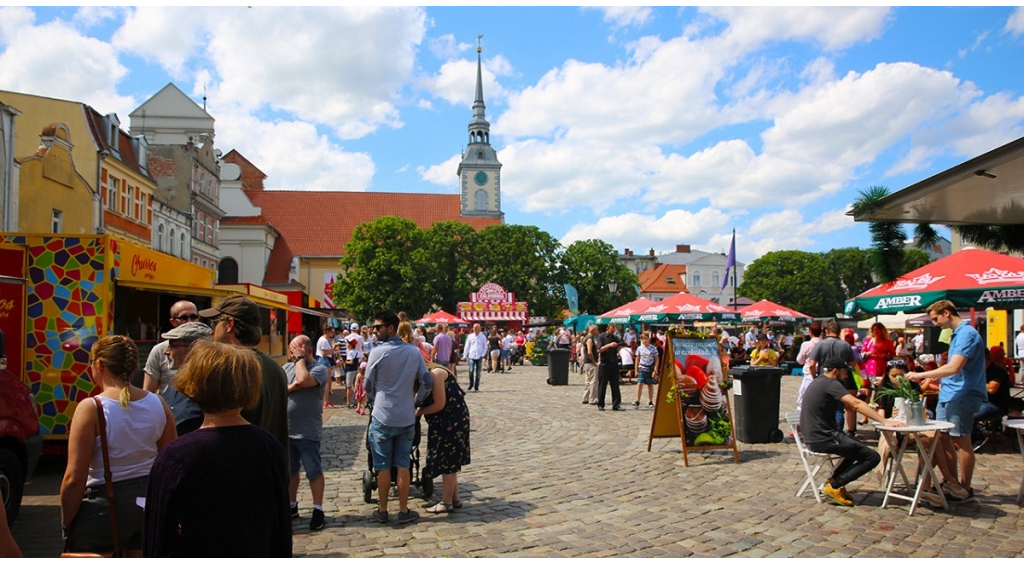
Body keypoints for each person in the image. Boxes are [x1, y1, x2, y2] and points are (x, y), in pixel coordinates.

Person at [143, 340, 291, 557]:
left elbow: (157, 535)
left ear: (193, 385)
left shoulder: (178, 454)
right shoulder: (269, 446)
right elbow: (281, 527)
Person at [61, 335, 176, 557]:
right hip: (147, 503)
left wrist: (68, 522)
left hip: (104, 506)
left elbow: (74, 479)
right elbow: (170, 462)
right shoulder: (157, 403)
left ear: (98, 365)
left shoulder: (91, 407)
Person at [801, 357, 904, 506]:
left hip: (815, 437)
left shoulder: (819, 381)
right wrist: (885, 421)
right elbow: (855, 404)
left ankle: (834, 482)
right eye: (844, 373)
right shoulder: (831, 383)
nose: (847, 376)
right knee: (872, 457)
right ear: (835, 371)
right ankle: (835, 486)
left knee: (854, 446)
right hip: (823, 439)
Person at [364, 310, 432, 525]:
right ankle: (403, 510)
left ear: (390, 328)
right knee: (403, 463)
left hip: (383, 415)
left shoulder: (377, 352)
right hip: (405, 416)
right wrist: (416, 400)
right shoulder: (413, 352)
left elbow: (367, 384)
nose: (374, 331)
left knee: (382, 465)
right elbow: (427, 381)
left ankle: (383, 510)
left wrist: (374, 399)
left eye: (378, 327)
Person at [915, 300, 987, 501]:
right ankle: (952, 483)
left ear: (947, 313)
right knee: (944, 438)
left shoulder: (967, 334)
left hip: (963, 394)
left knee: (962, 440)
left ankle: (965, 488)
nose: (935, 323)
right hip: (949, 393)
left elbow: (954, 367)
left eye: (936, 318)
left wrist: (920, 375)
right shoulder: (957, 334)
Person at [200, 296, 289, 458]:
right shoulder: (275, 368)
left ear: (230, 324)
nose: (211, 331)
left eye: (215, 322)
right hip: (270, 469)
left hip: (239, 470)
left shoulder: (229, 369)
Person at [283, 335, 330, 530]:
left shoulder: (318, 369)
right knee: (291, 471)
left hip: (308, 431)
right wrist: (292, 387)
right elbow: (278, 389)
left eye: (296, 350)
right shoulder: (286, 368)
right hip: (287, 430)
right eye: (291, 350)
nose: (292, 354)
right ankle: (292, 505)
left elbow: (303, 379)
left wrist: (300, 360)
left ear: (307, 350)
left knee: (314, 471)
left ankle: (317, 509)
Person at [417, 362, 471, 515]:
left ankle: (446, 502)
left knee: (448, 460)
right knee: (450, 459)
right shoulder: (433, 372)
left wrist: (419, 412)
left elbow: (439, 404)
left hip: (450, 420)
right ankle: (455, 499)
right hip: (451, 419)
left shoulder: (436, 374)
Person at [158, 321, 211, 435]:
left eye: (172, 345)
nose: (166, 351)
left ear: (194, 349)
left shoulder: (209, 388)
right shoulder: (176, 381)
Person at [806, 321, 858, 436]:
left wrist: (815, 377)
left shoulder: (820, 345)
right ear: (839, 332)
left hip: (823, 378)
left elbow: (811, 364)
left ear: (826, 331)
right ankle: (838, 434)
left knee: (823, 407)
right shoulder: (845, 345)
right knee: (839, 409)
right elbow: (853, 363)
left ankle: (825, 432)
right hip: (840, 379)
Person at [143, 300, 198, 394]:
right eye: (184, 318)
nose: (190, 322)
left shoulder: (209, 348)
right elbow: (148, 392)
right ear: (173, 322)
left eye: (193, 317)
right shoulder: (160, 350)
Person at [974, 347, 1024, 420]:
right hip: (980, 402)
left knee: (971, 414)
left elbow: (991, 389)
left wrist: (973, 380)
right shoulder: (980, 371)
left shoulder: (997, 371)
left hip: (995, 405)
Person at [795, 322, 823, 411]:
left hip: (810, 373)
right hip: (823, 373)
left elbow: (799, 361)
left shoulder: (806, 344)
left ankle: (801, 421)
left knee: (802, 399)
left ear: (810, 331)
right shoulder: (824, 343)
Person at [596, 324, 623, 412]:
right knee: (602, 385)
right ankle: (600, 404)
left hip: (614, 363)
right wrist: (609, 345)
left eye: (614, 330)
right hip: (605, 363)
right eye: (611, 330)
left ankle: (616, 404)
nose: (613, 332)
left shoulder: (615, 338)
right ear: (607, 329)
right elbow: (599, 350)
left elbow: (618, 348)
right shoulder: (601, 337)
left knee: (615, 385)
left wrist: (618, 347)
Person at [632, 332, 660, 408]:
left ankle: (650, 401)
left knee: (650, 384)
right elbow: (637, 359)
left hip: (650, 368)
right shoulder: (639, 348)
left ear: (649, 339)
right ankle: (637, 400)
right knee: (640, 383)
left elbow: (657, 359)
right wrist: (636, 370)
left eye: (646, 338)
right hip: (641, 367)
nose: (644, 340)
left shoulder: (653, 348)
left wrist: (655, 370)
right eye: (642, 339)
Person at [316, 326, 337, 408]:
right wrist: (333, 349)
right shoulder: (324, 340)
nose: (333, 334)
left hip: (324, 360)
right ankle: (325, 401)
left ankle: (325, 400)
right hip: (324, 360)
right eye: (332, 332)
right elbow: (324, 353)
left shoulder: (324, 339)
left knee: (327, 381)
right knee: (327, 381)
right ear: (327, 331)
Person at [463, 323, 487, 392]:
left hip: (479, 356)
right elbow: (467, 346)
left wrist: (482, 355)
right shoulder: (470, 336)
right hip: (471, 356)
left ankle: (476, 386)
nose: (475, 329)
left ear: (479, 329)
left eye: (477, 328)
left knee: (478, 372)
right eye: (474, 328)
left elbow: (485, 347)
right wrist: (465, 355)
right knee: (471, 371)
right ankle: (471, 384)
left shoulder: (483, 337)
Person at [580, 325, 600, 405]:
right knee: (593, 381)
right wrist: (594, 362)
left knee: (588, 381)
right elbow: (589, 352)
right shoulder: (589, 339)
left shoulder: (586, 338)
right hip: (591, 363)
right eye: (596, 330)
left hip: (587, 362)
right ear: (593, 330)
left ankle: (585, 398)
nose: (597, 331)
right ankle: (593, 399)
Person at [344, 334, 363, 409]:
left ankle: (348, 402)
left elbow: (351, 362)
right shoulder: (357, 352)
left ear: (351, 345)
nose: (347, 344)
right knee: (356, 386)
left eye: (348, 343)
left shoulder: (350, 352)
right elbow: (363, 358)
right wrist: (358, 363)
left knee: (348, 386)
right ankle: (355, 401)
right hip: (356, 369)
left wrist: (345, 362)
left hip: (350, 370)